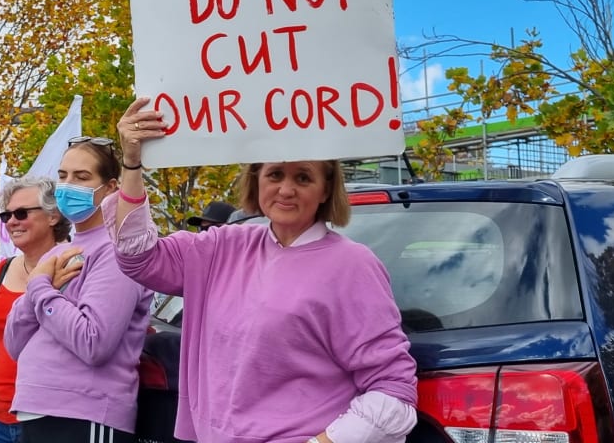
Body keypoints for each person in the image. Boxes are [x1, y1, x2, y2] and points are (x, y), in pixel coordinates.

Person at [107, 97, 418, 443]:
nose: (286, 189)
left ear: (326, 188)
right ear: (256, 180)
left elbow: (393, 391)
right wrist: (132, 163)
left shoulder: (352, 265)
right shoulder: (221, 246)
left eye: (303, 177)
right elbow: (137, 255)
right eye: (275, 174)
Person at [4, 136, 153, 442]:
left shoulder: (117, 250)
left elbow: (93, 341)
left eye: (82, 177)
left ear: (110, 187)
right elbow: (14, 342)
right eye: (63, 176)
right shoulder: (61, 251)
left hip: (85, 413)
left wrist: (41, 290)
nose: (68, 185)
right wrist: (39, 290)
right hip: (39, 409)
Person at [0, 176, 74, 443]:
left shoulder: (73, 265)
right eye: (6, 215)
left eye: (21, 213)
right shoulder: (1, 271)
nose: (11, 222)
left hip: (51, 416)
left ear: (53, 216)